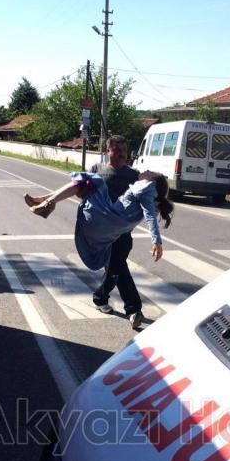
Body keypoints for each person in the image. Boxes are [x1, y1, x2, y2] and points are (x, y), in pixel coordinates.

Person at [24, 171, 173, 304]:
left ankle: (46, 203)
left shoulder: (147, 187)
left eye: (150, 171)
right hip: (110, 229)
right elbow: (143, 214)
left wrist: (157, 241)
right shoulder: (153, 197)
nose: (145, 170)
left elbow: (150, 216)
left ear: (153, 179)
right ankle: (43, 201)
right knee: (85, 185)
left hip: (103, 217)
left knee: (92, 180)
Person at [90, 136, 145, 328]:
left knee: (116, 267)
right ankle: (132, 309)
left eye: (124, 149)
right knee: (117, 267)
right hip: (102, 233)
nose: (121, 153)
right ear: (108, 152)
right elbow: (86, 195)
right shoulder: (97, 170)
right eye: (116, 149)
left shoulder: (134, 175)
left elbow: (146, 196)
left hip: (123, 232)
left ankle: (102, 298)